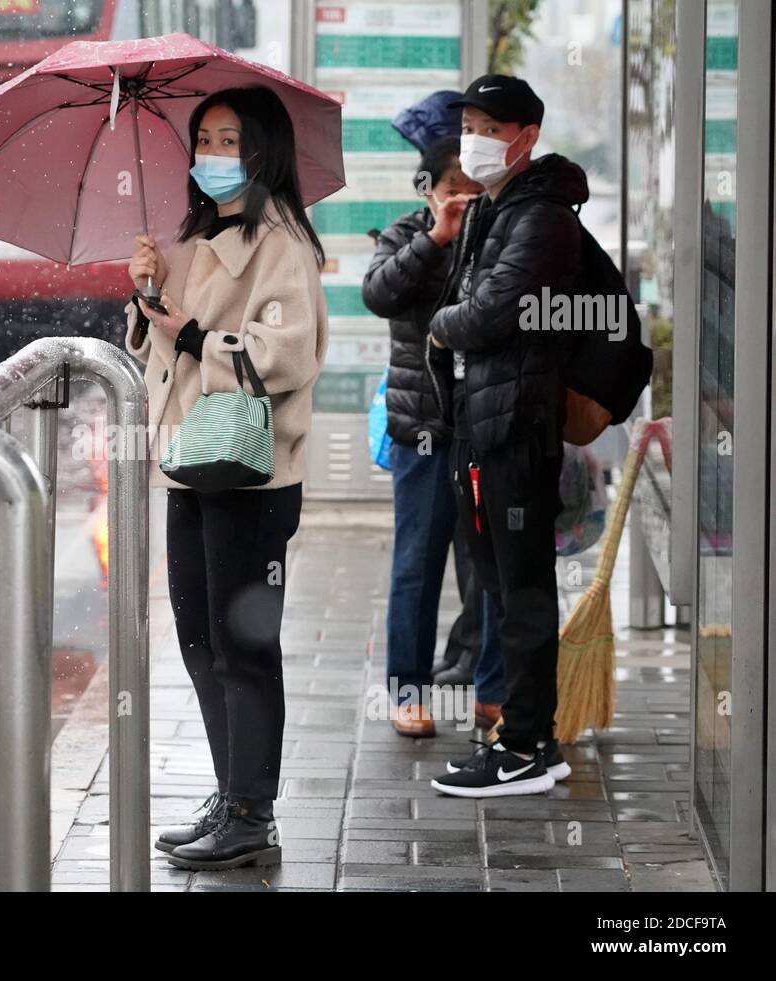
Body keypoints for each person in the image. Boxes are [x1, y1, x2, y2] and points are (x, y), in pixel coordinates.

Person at [123, 85, 329, 869]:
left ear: (262, 150)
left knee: (244, 645)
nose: (212, 155)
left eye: (228, 140)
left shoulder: (281, 241)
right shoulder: (194, 237)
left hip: (252, 473)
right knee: (200, 636)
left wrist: (196, 333)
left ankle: (253, 811)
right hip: (190, 466)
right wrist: (147, 297)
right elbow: (163, 351)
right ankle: (229, 790)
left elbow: (287, 356)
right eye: (203, 140)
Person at [426, 75, 584, 796]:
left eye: (489, 126)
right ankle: (530, 742)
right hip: (483, 422)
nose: (474, 140)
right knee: (500, 584)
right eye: (469, 124)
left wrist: (440, 324)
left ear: (526, 135)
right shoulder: (495, 207)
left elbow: (489, 313)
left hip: (515, 427)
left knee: (521, 590)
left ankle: (523, 745)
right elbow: (467, 301)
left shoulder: (542, 217)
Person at [362, 136, 508, 738]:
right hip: (423, 427)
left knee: (494, 567)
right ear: (430, 191)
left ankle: (494, 692)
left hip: (486, 426)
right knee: (416, 565)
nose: (463, 203)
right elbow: (378, 294)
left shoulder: (502, 240)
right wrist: (437, 239)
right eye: (453, 191)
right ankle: (407, 693)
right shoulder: (407, 236)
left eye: (473, 193)